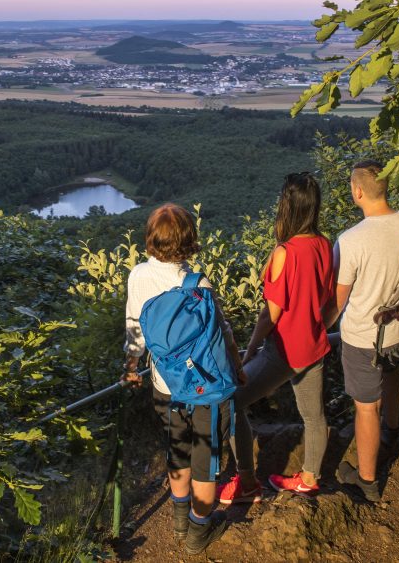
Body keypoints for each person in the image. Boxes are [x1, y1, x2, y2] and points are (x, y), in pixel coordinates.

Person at [121, 203, 245, 554]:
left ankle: (178, 519)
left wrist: (131, 368)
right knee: (206, 462)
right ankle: (198, 533)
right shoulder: (198, 283)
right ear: (191, 241)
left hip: (167, 386)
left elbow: (134, 332)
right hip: (206, 390)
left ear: (150, 240)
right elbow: (224, 333)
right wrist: (238, 367)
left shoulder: (138, 276)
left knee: (178, 452)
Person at [217, 172, 334, 503]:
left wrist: (250, 350)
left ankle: (246, 482)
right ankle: (309, 478)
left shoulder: (286, 252)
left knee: (234, 400)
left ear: (287, 206)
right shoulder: (324, 244)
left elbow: (272, 314)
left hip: (282, 350)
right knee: (314, 416)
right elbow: (325, 297)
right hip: (314, 344)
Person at [323, 160, 399, 503]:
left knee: (365, 407)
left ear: (357, 191)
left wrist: (320, 328)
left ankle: (366, 480)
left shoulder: (350, 240)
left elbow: (338, 301)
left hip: (365, 338)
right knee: (393, 374)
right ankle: (393, 430)